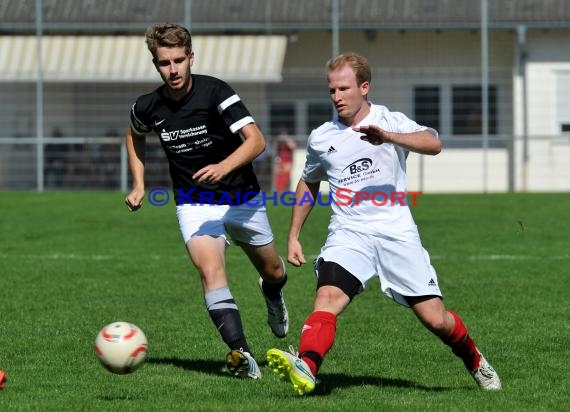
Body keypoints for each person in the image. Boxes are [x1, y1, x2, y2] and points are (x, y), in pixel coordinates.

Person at [266, 52, 501, 394]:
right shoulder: (321, 137)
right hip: (349, 234)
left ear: (364, 87)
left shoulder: (391, 120)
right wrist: (293, 235)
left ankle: (475, 360)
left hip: (396, 233)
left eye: (344, 89)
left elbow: (434, 143)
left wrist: (388, 138)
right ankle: (307, 365)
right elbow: (309, 181)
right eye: (332, 90)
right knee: (327, 299)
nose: (337, 97)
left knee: (436, 319)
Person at [124, 23, 289, 380]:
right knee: (210, 271)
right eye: (165, 62)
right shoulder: (148, 106)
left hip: (242, 198)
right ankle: (242, 355)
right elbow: (134, 134)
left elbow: (256, 140)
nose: (173, 69)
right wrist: (139, 184)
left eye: (179, 60)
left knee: (274, 271)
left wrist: (224, 167)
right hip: (194, 202)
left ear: (191, 57)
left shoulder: (216, 92)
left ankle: (272, 295)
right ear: (156, 63)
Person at [274, 128, 297, 193]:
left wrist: (287, 139)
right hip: (280, 160)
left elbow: (293, 146)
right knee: (279, 175)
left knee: (286, 175)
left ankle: (285, 190)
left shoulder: (288, 140)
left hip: (287, 160)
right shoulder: (278, 141)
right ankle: (279, 190)